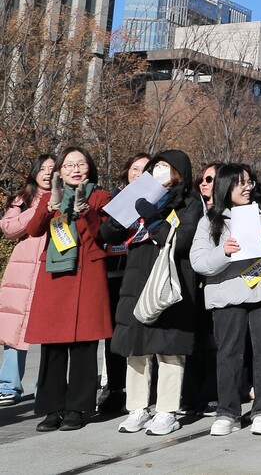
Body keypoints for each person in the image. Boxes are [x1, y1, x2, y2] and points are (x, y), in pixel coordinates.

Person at [102, 150, 204, 437]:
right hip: (136, 279)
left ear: (180, 172)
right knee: (136, 347)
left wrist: (156, 220)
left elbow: (183, 241)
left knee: (169, 348)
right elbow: (107, 235)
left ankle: (166, 411)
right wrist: (119, 214)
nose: (159, 171)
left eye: (165, 166)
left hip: (171, 281)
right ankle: (137, 408)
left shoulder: (189, 202)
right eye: (155, 166)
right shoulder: (138, 195)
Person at [190, 164, 261, 437]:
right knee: (229, 353)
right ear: (225, 187)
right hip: (227, 295)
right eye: (240, 183)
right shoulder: (210, 220)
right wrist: (225, 251)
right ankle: (228, 411)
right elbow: (200, 262)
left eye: (250, 182)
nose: (247, 187)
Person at [25, 147, 113, 432]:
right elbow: (34, 230)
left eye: (81, 164)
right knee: (52, 344)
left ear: (90, 168)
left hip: (87, 274)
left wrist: (86, 212)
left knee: (84, 344)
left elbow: (104, 234)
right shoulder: (53, 196)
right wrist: (50, 206)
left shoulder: (100, 196)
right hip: (56, 277)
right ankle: (53, 408)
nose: (75, 169)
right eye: (68, 165)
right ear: (59, 172)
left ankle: (78, 408)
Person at [0, 155, 54, 406]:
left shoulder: (66, 198)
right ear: (34, 172)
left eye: (52, 169)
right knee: (14, 331)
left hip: (50, 270)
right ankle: (9, 386)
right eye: (42, 168)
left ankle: (45, 387)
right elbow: (9, 229)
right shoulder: (21, 199)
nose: (46, 173)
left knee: (49, 333)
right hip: (21, 274)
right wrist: (39, 207)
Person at [98, 152, 150, 414]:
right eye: (134, 168)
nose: (138, 173)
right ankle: (115, 387)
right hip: (115, 274)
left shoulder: (159, 201)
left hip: (144, 273)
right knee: (115, 335)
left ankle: (145, 388)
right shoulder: (113, 199)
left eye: (145, 169)